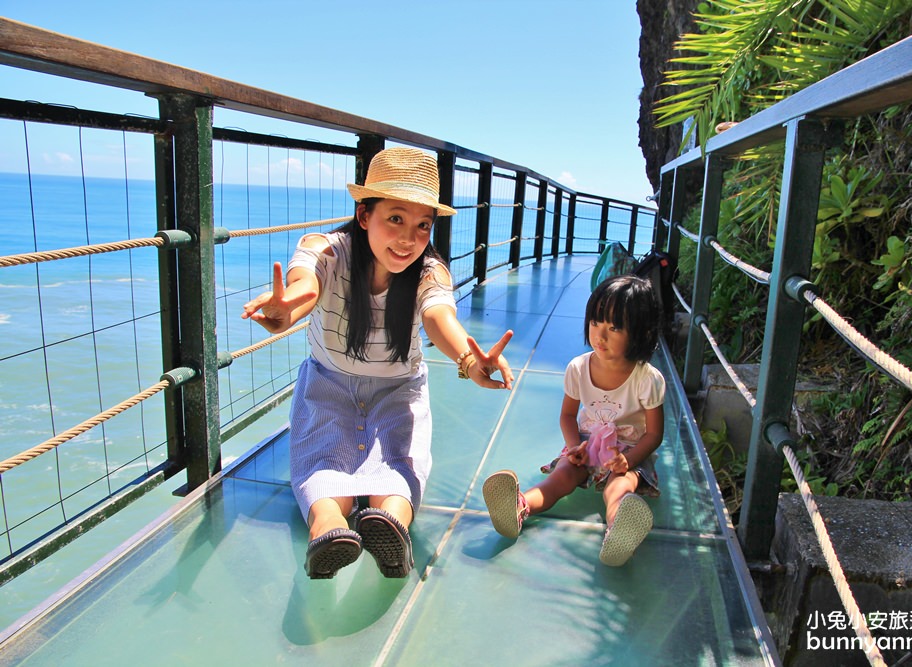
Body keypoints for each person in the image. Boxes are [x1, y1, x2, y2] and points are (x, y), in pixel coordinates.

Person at [242, 147, 514, 579]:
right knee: (321, 465)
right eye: (396, 218)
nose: (409, 238)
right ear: (364, 214)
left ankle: (390, 530)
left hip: (397, 390)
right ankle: (328, 533)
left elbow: (438, 315)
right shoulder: (327, 249)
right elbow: (305, 286)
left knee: (399, 469)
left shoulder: (430, 271)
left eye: (422, 225)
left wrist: (467, 356)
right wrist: (286, 310)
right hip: (329, 384)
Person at [482, 274, 665, 566]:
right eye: (595, 322)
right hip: (587, 443)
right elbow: (568, 415)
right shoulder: (579, 368)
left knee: (619, 486)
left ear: (640, 333)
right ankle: (520, 507)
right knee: (562, 476)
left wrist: (628, 461)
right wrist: (573, 447)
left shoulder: (647, 379)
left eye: (614, 327)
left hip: (629, 450)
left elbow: (654, 434)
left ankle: (620, 529)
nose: (600, 335)